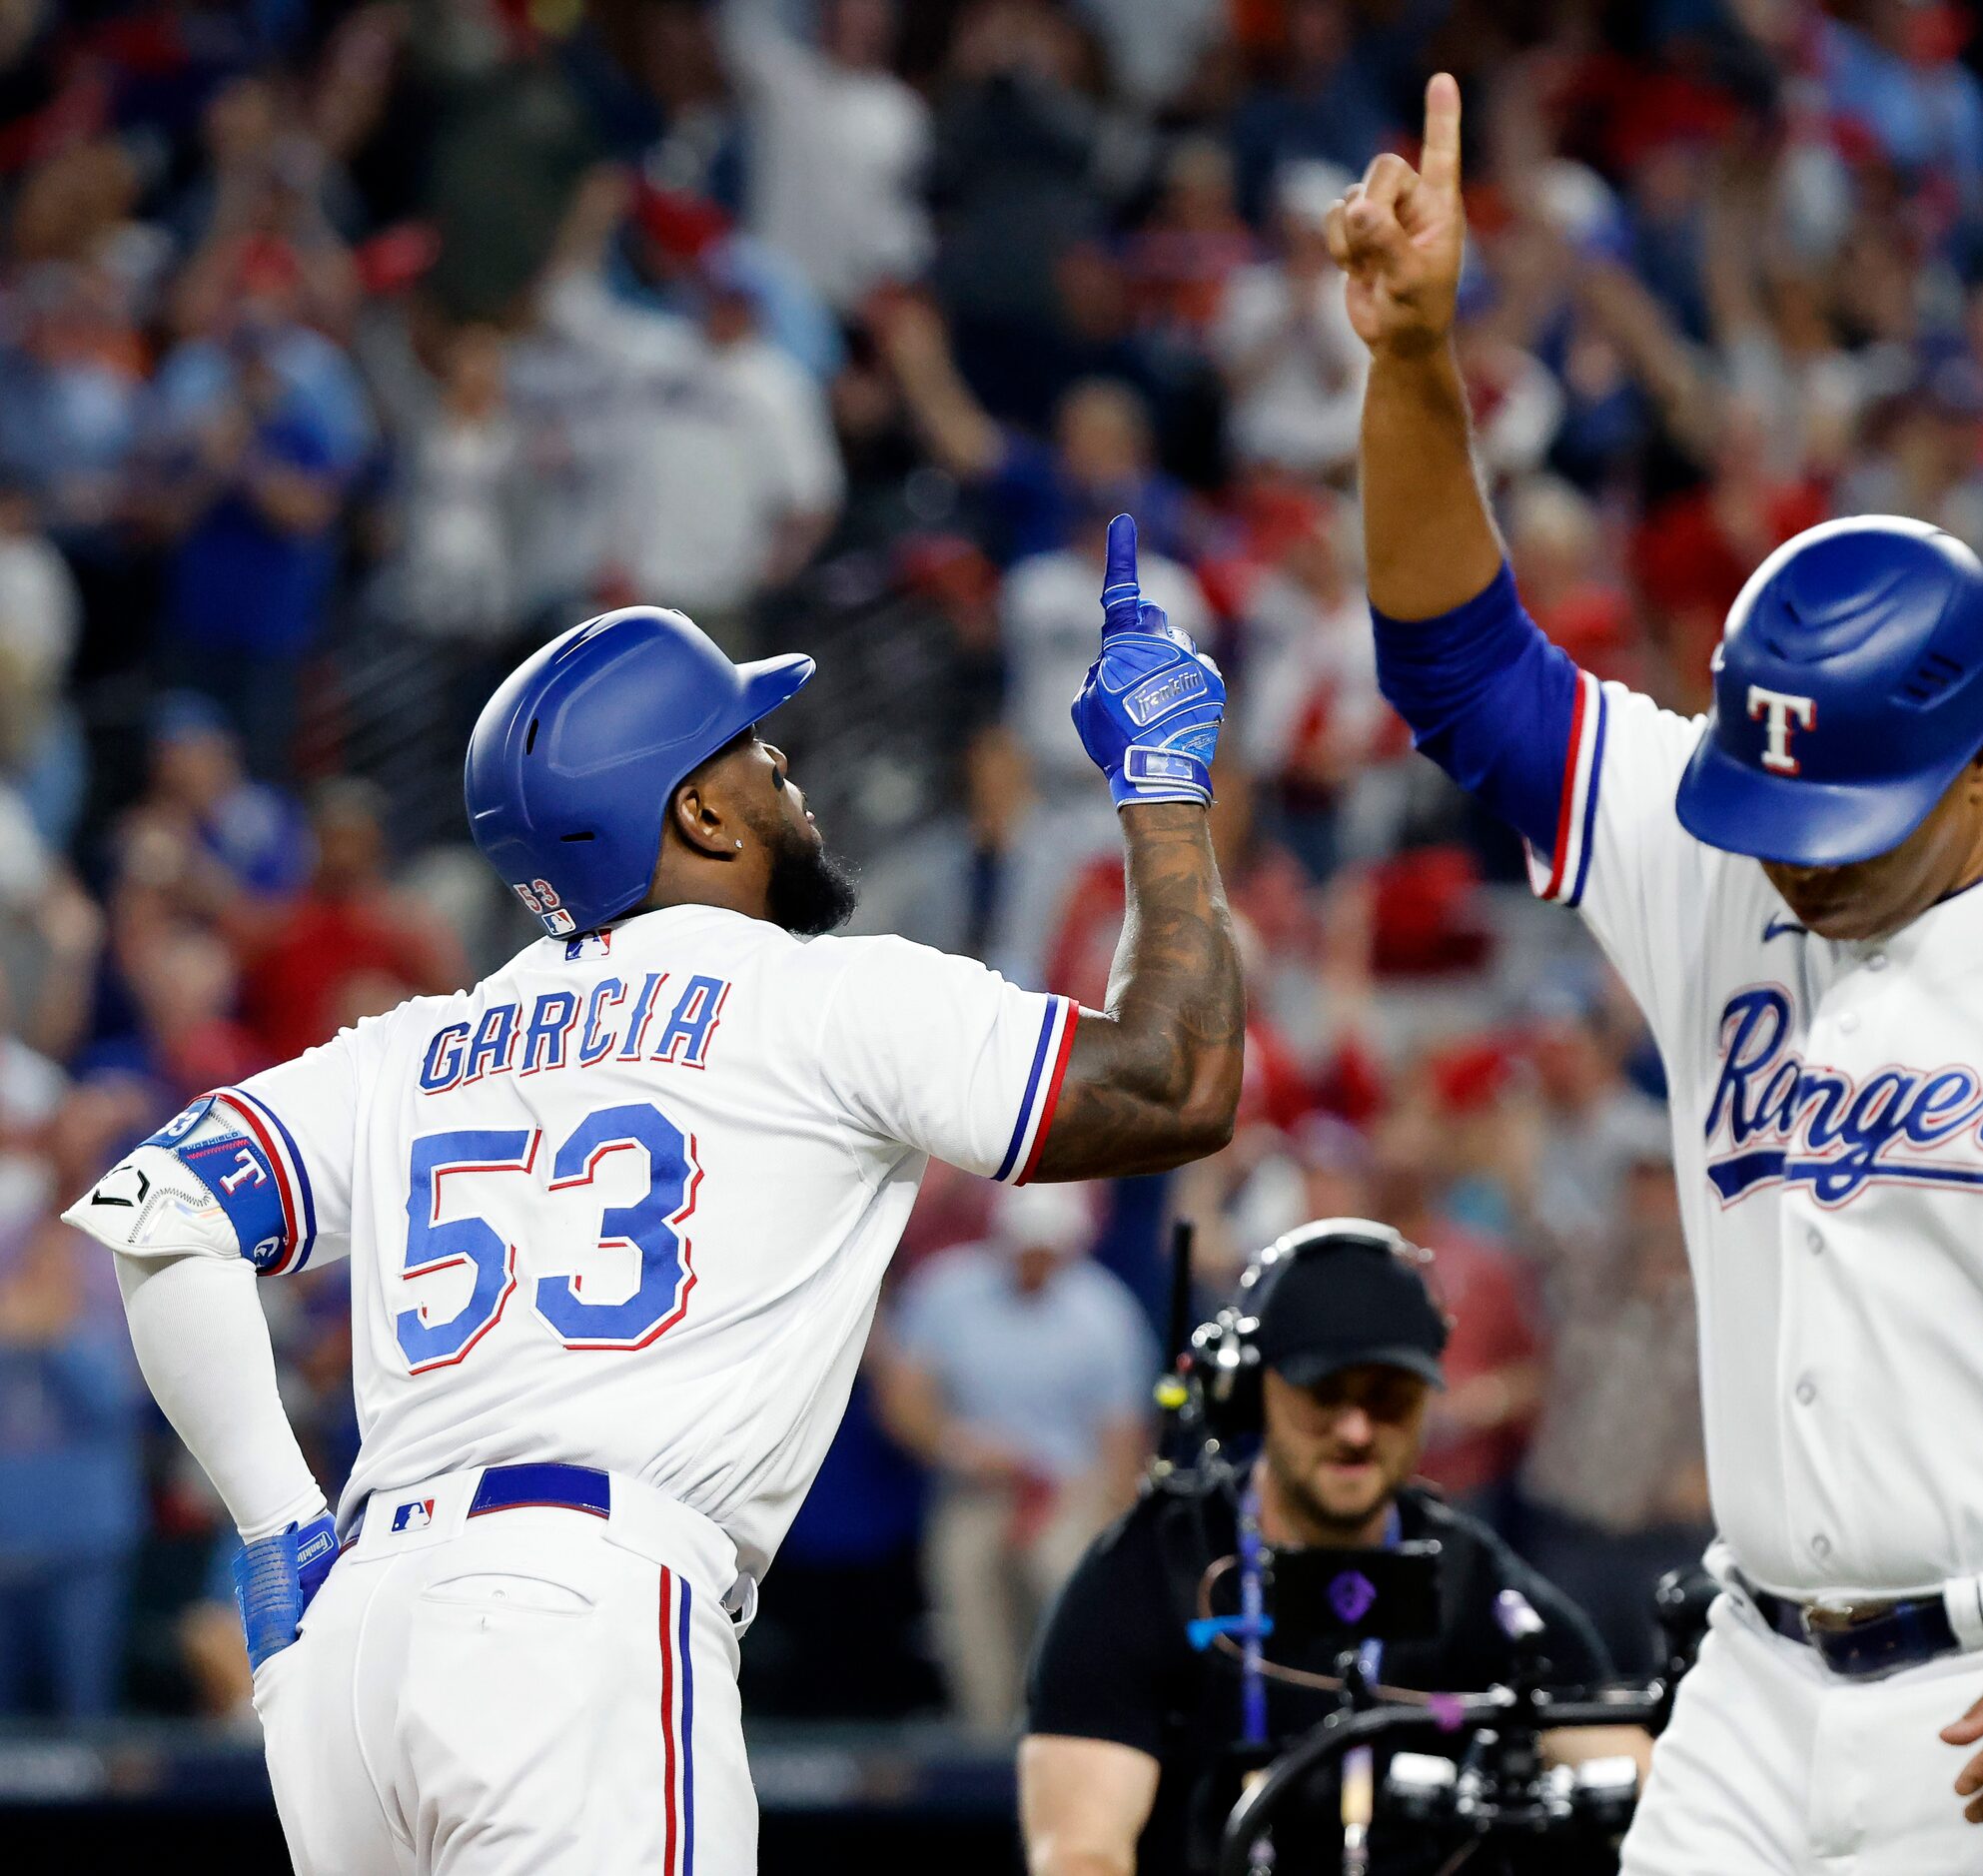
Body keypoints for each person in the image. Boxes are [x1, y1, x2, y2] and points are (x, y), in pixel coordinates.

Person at [62, 513, 1243, 1875]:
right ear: (695, 809)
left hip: (356, 1656)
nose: (782, 762)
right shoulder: (821, 999)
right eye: (750, 746)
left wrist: (279, 1526)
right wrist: (1163, 789)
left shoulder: (416, 1041)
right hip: (579, 1611)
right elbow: (1175, 1084)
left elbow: (165, 1211)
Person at [1331, 73, 1983, 1870]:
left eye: (1846, 815)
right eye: (1775, 799)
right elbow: (1461, 668)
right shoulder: (1722, 853)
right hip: (1751, 1687)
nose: (1791, 848)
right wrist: (1414, 366)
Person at [1021, 1220, 1618, 1876]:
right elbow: (1080, 1854)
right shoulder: (1153, 1570)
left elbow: (1635, 1784)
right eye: (1323, 1396)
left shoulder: (1469, 1580)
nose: (1356, 1430)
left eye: (1387, 1399)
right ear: (1252, 1393)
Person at [878, 1181, 1156, 1733]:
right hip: (976, 1485)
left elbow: (1123, 1445)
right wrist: (959, 1446)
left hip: (1069, 1487)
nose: (1032, 1261)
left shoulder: (1104, 1314)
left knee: (1065, 1577)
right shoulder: (948, 1292)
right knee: (967, 1583)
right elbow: (905, 1402)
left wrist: (1107, 1530)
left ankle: (1065, 1725)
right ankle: (985, 1735)